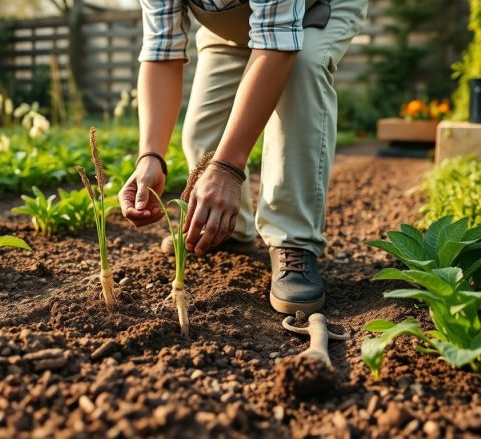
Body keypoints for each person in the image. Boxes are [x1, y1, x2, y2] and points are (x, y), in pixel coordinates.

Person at [118, 0, 368, 314]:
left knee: (302, 69)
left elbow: (278, 44)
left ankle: (294, 240)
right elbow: (160, 51)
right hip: (232, 27)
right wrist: (150, 155)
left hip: (315, 9)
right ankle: (227, 229)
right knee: (203, 131)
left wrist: (227, 169)